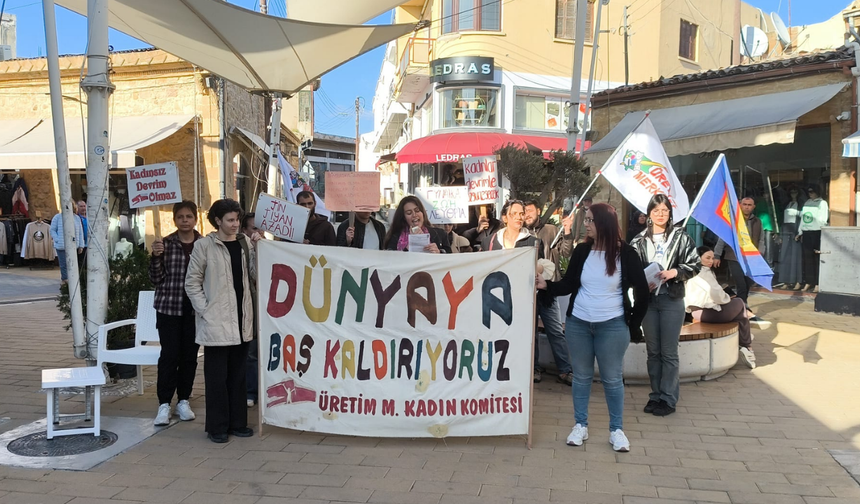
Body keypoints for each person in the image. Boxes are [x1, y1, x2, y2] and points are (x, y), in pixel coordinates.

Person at [536, 203, 649, 451]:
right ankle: (580, 425)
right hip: (579, 323)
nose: (585, 224)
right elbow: (568, 284)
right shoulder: (582, 251)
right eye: (585, 220)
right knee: (582, 378)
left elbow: (643, 293)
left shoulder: (626, 254)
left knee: (611, 380)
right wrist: (546, 286)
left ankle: (616, 430)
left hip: (612, 325)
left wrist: (632, 325)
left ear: (604, 223)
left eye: (590, 220)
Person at [185, 199, 259, 443]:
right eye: (230, 220)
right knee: (217, 376)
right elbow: (192, 281)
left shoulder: (245, 243)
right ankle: (217, 427)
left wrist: (260, 252)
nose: (235, 224)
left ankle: (238, 423)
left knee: (238, 374)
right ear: (217, 220)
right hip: (216, 320)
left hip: (242, 317)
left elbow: (255, 276)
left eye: (237, 219)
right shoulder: (204, 246)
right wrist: (205, 309)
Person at [630, 194, 701, 417]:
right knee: (653, 351)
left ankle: (668, 398)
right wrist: (641, 283)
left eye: (665, 210)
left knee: (669, 352)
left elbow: (695, 264)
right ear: (648, 214)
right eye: (656, 210)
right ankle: (656, 394)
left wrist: (675, 272)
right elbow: (631, 270)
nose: (661, 214)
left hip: (671, 299)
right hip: (649, 301)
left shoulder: (680, 237)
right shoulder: (638, 240)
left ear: (670, 213)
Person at [149, 200, 203, 426]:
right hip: (169, 309)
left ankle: (183, 399)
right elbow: (155, 279)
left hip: (194, 311)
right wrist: (156, 257)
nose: (185, 220)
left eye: (189, 216)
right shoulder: (165, 244)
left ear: (195, 219)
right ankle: (164, 403)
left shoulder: (204, 244)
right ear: (174, 220)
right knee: (169, 356)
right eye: (180, 217)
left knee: (190, 357)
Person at [523, 200, 574, 385]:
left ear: (539, 210)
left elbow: (566, 253)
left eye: (529, 210)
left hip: (548, 289)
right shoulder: (520, 234)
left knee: (555, 330)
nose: (526, 214)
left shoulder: (552, 231)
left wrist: (567, 231)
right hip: (526, 290)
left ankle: (565, 369)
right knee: (531, 332)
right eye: (524, 211)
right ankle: (534, 368)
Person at [685, 246, 756, 369]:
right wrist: (728, 299)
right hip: (705, 312)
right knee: (739, 303)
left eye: (712, 258)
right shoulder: (702, 272)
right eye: (707, 258)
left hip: (696, 312)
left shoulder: (690, 271)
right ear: (698, 258)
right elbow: (717, 295)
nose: (711, 261)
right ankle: (746, 345)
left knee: (740, 315)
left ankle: (746, 343)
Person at [713, 197, 767, 324]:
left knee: (747, 283)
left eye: (749, 205)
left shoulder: (757, 222)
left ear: (753, 207)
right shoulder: (733, 221)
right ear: (740, 205)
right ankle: (742, 309)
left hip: (751, 258)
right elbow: (722, 239)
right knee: (741, 284)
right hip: (734, 257)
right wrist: (716, 255)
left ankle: (741, 305)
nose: (747, 207)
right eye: (744, 204)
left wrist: (760, 255)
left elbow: (761, 239)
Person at [240, 213, 262, 408]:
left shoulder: (272, 247)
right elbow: (253, 274)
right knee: (251, 352)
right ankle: (250, 392)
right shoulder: (243, 250)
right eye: (254, 228)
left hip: (269, 309)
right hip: (250, 307)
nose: (259, 232)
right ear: (245, 231)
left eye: (261, 228)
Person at [384, 196, 450, 253]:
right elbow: (391, 262)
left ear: (423, 213)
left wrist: (439, 253)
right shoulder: (394, 237)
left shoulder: (440, 234)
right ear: (404, 217)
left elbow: (451, 259)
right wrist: (410, 246)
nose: (414, 215)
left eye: (417, 210)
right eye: (409, 213)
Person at [796, 185, 828, 293]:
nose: (810, 194)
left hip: (816, 232)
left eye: (812, 192)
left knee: (816, 259)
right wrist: (800, 231)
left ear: (817, 192)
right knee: (807, 259)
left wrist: (818, 227)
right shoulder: (807, 203)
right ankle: (808, 282)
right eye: (809, 192)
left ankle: (817, 283)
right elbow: (803, 219)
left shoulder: (822, 203)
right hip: (807, 232)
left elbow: (823, 219)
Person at [49, 203, 85, 284]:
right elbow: (52, 230)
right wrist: (57, 239)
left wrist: (81, 245)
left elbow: (80, 232)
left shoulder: (76, 218)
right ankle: (65, 280)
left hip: (73, 245)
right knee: (63, 264)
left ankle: (73, 279)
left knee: (73, 263)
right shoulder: (57, 217)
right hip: (61, 245)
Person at [778, 186, 804, 290]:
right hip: (786, 230)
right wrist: (780, 233)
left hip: (795, 231)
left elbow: (804, 219)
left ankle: (797, 281)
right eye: (792, 192)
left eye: (795, 192)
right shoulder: (786, 204)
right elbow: (781, 219)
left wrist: (800, 232)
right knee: (785, 256)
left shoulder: (801, 205)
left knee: (796, 257)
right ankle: (786, 280)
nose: (793, 194)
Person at [76, 200, 88, 266]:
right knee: (81, 264)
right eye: (81, 206)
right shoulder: (77, 218)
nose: (83, 208)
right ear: (77, 208)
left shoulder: (89, 218)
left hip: (90, 245)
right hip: (81, 245)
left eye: (84, 206)